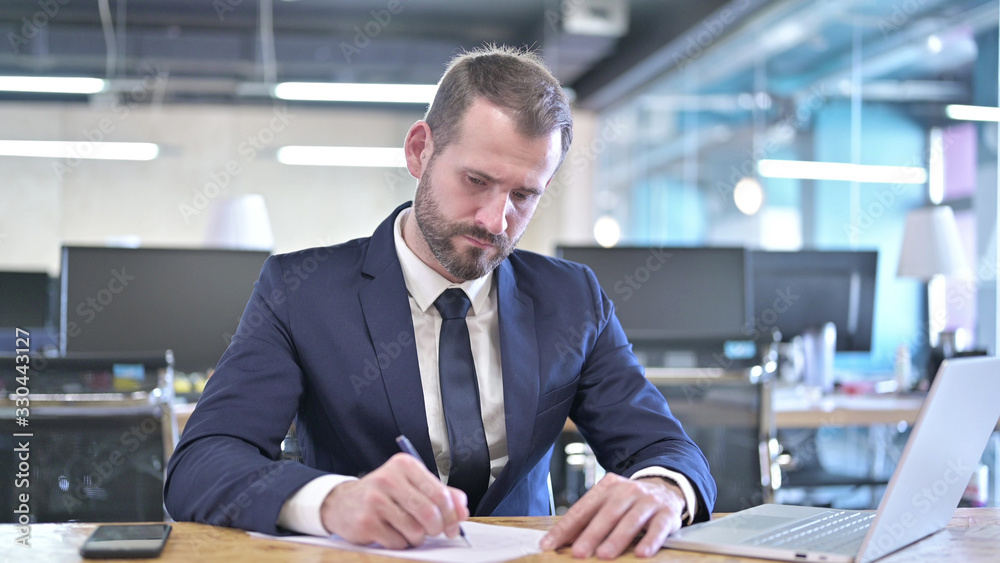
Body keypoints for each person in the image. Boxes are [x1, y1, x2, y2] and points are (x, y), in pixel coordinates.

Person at [164, 45, 716, 560]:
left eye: (524, 195)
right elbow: (201, 464)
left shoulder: (571, 299)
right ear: (419, 150)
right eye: (476, 180)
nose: (495, 221)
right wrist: (332, 501)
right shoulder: (301, 290)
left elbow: (665, 448)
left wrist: (664, 490)